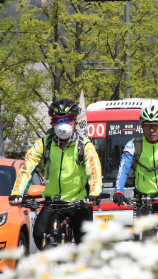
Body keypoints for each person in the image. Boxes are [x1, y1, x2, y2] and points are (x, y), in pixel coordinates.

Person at [9, 98, 102, 249]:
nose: (62, 125)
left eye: (67, 120)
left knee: (85, 247)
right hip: (53, 202)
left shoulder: (85, 145)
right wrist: (17, 193)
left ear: (75, 122)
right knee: (39, 234)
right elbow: (27, 167)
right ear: (52, 123)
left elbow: (95, 172)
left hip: (79, 203)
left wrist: (93, 194)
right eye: (58, 120)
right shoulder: (44, 143)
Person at [113, 104, 158, 216]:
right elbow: (123, 169)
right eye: (147, 126)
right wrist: (118, 191)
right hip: (143, 199)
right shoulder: (133, 145)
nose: (151, 130)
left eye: (155, 126)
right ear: (142, 127)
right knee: (142, 231)